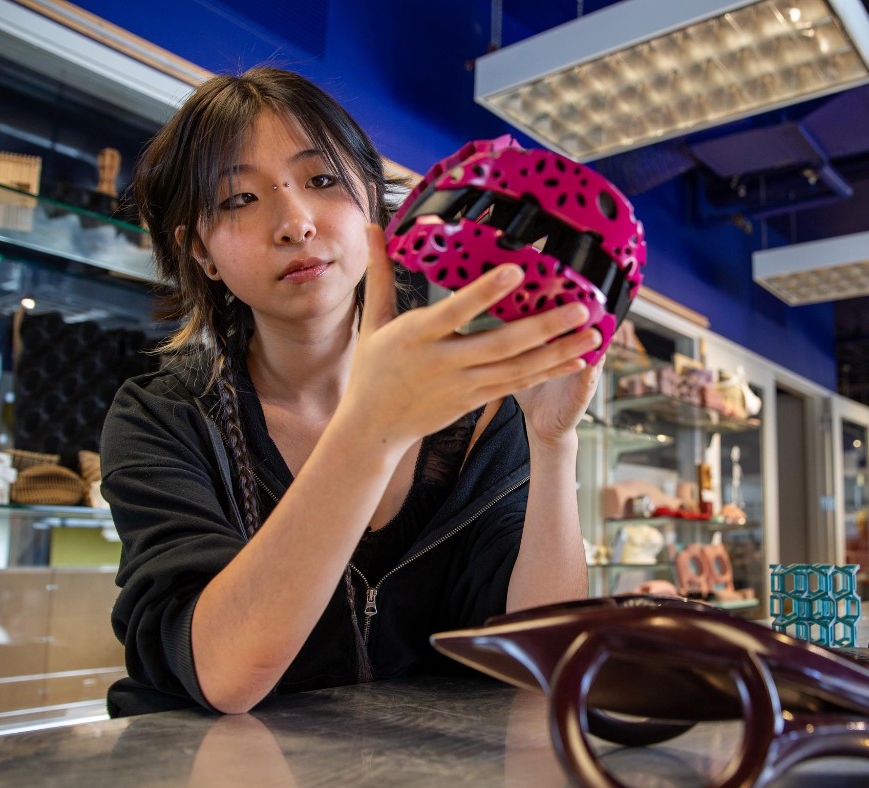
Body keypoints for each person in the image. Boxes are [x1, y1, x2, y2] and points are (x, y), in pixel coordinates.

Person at [101, 67, 600, 717]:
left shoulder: (479, 415)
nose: (295, 222)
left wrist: (551, 442)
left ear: (373, 200)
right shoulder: (163, 418)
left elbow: (546, 658)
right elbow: (225, 671)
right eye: (240, 199)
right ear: (202, 252)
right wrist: (371, 428)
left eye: (322, 180)